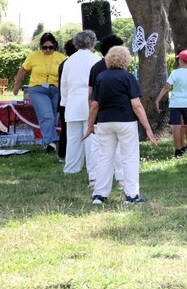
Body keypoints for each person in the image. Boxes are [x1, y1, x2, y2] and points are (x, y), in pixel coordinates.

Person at [83, 46, 157, 205]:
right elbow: (137, 105)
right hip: (125, 121)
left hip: (104, 122)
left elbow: (94, 105)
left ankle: (99, 195)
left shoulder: (101, 77)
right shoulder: (128, 77)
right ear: (126, 59)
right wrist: (148, 129)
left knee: (104, 157)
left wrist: (90, 126)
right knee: (129, 157)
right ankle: (131, 195)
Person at [12, 32, 67, 151]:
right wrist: (16, 86)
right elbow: (22, 70)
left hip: (57, 90)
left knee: (54, 117)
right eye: (44, 47)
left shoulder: (61, 57)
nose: (47, 50)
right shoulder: (33, 56)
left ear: (55, 46)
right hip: (37, 90)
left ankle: (48, 141)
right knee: (47, 117)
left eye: (50, 47)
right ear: (41, 46)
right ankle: (50, 142)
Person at [60, 30, 101, 180]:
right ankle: (93, 169)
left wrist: (64, 101)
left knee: (73, 139)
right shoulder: (96, 59)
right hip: (90, 102)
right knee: (91, 139)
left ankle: (71, 168)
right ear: (93, 43)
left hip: (72, 102)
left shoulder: (69, 61)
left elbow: (63, 84)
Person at [88, 34, 126, 187]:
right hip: (120, 114)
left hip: (99, 114)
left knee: (96, 147)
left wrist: (91, 114)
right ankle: (122, 179)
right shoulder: (122, 68)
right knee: (118, 148)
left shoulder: (96, 67)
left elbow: (90, 94)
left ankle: (94, 178)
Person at [156, 49, 187, 158]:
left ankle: (178, 151)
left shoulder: (175, 73)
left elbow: (167, 87)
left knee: (176, 127)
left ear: (180, 61)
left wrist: (157, 99)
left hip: (175, 103)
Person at [56, 39, 78, 161]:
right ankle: (65, 154)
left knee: (65, 129)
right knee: (69, 130)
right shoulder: (71, 63)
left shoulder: (64, 63)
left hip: (64, 100)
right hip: (70, 100)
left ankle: (62, 154)